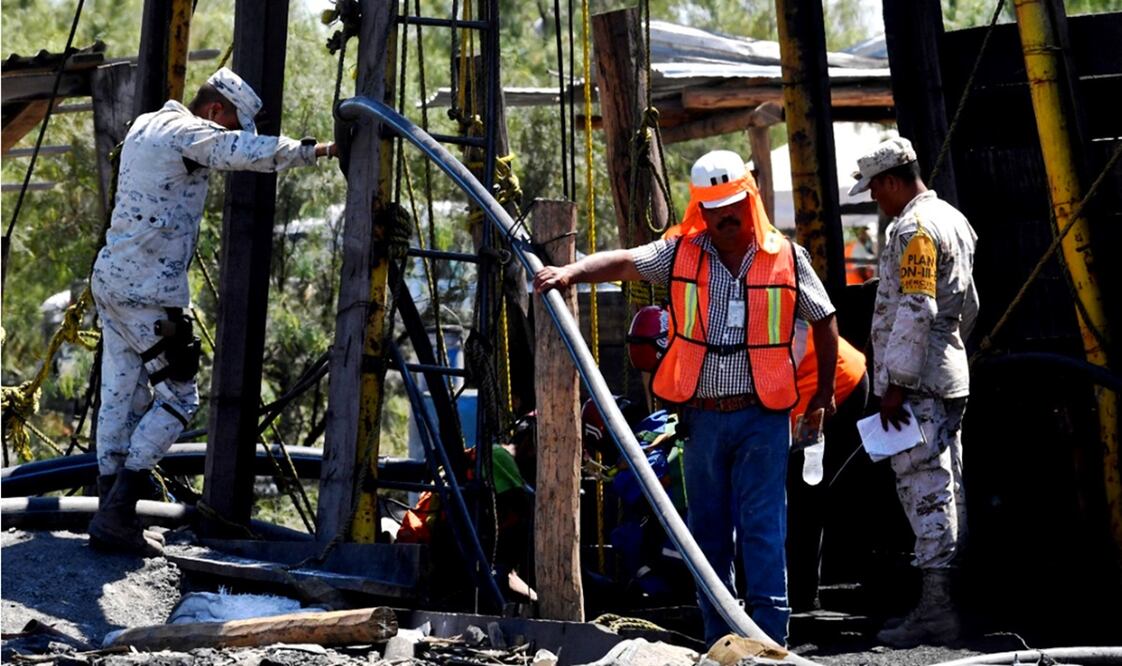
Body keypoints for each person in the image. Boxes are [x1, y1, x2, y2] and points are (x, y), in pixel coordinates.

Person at [535, 150, 839, 647]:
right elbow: (629, 261)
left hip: (763, 417)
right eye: (715, 207)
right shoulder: (682, 251)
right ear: (701, 207)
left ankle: (770, 644)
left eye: (734, 204)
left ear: (751, 199)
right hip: (702, 419)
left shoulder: (786, 257)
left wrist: (822, 394)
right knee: (708, 535)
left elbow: (824, 319)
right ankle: (720, 640)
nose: (726, 216)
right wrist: (572, 271)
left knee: (763, 530)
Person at [88, 68, 336, 555]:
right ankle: (118, 511)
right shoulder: (187, 131)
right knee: (179, 399)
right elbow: (240, 153)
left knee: (121, 395)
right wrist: (317, 151)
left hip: (111, 281)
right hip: (147, 292)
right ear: (215, 112)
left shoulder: (145, 124)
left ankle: (108, 512)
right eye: (226, 126)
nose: (223, 136)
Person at [849, 137, 978, 647]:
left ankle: (935, 612)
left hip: (918, 384)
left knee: (924, 489)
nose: (875, 200)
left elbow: (916, 307)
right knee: (948, 486)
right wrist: (949, 353)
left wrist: (896, 384)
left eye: (875, 189)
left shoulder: (914, 228)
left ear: (893, 180)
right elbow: (966, 304)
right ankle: (945, 601)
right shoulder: (953, 219)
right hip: (947, 372)